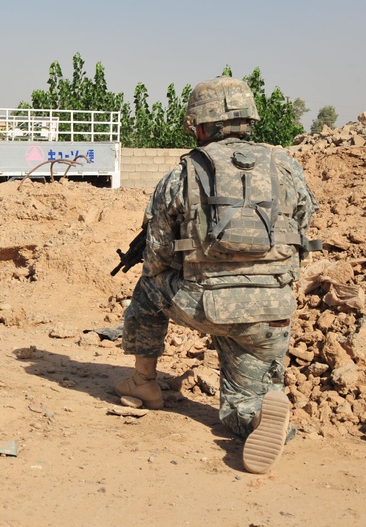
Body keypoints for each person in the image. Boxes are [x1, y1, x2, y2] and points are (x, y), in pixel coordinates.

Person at [115, 75, 319, 474]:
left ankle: (144, 383)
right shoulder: (288, 169)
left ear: (201, 125)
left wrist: (193, 267)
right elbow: (301, 234)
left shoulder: (183, 174)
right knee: (242, 406)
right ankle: (258, 417)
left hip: (207, 304)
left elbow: (156, 255)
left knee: (147, 289)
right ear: (248, 119)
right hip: (271, 311)